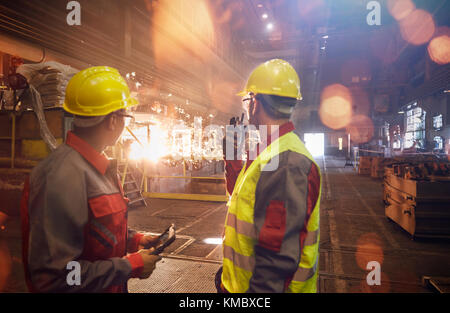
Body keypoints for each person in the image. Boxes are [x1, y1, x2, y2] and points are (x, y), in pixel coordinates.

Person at [20, 66, 161, 292]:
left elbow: (96, 235)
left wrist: (135, 240)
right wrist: (128, 266)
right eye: (125, 116)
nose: (125, 124)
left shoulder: (99, 169)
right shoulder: (60, 177)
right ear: (113, 121)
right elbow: (55, 278)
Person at [218, 59, 322, 293]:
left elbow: (276, 263)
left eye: (248, 100)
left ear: (255, 102)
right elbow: (243, 200)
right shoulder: (269, 152)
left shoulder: (286, 162)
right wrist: (233, 158)